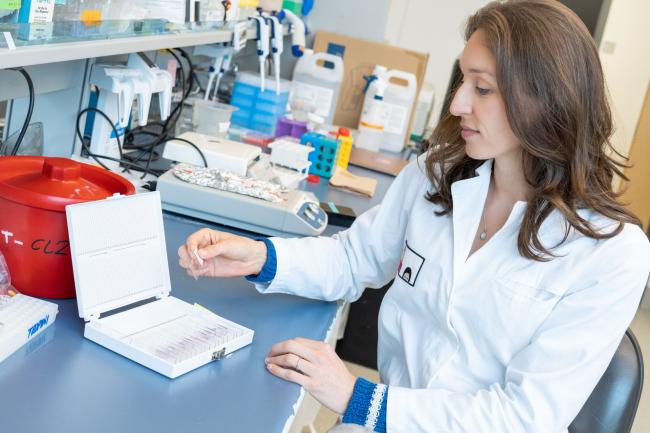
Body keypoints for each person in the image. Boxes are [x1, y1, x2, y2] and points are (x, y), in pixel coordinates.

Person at [179, 1, 650, 432]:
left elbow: (525, 416)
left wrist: (360, 399)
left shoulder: (611, 252)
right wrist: (261, 257)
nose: (457, 104)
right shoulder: (436, 174)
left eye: (482, 88)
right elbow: (354, 259)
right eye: (462, 81)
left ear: (547, 100)